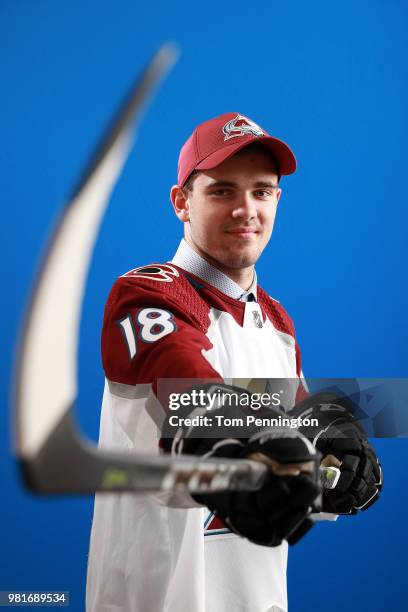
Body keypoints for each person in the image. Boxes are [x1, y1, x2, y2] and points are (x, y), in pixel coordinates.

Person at [86, 113, 381, 612]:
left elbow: (291, 449)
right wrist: (237, 440)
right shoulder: (146, 294)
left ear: (277, 201)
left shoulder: (277, 323)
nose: (246, 209)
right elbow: (185, 386)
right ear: (182, 201)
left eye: (262, 191)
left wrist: (334, 461)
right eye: (222, 191)